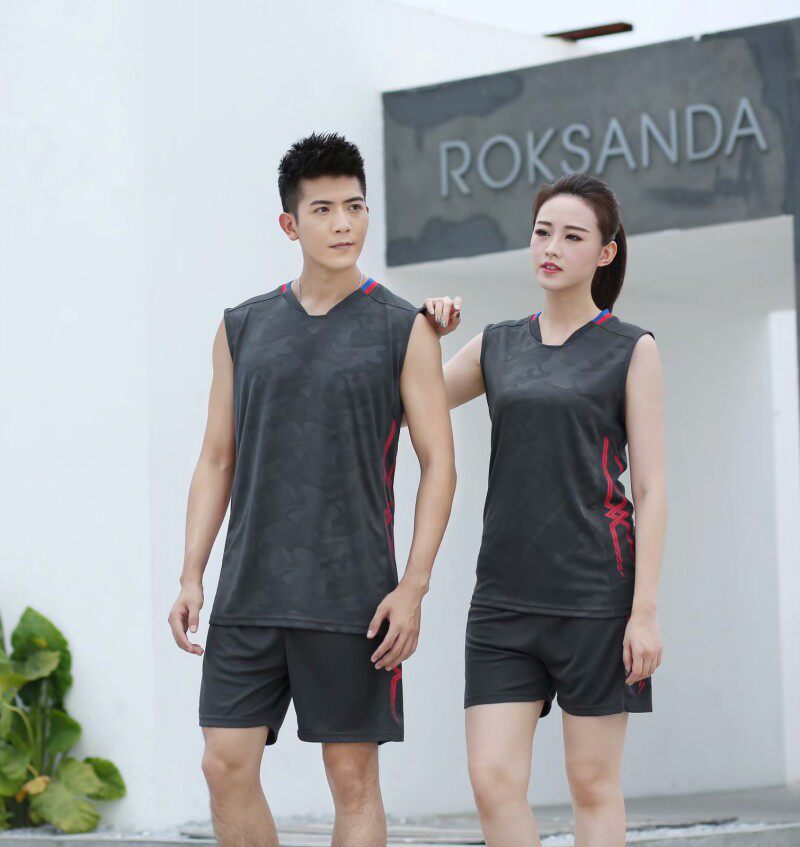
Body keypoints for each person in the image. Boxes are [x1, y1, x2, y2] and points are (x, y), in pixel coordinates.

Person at [168, 131, 456, 847]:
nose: (342, 224)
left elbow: (439, 463)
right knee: (223, 764)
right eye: (323, 210)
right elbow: (216, 457)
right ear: (290, 225)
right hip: (250, 591)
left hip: (353, 595)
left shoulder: (404, 328)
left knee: (352, 779)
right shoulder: (243, 327)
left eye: (354, 207)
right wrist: (192, 573)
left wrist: (413, 587)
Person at [418, 172, 666, 847]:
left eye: (572, 236)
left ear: (605, 252)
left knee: (592, 784)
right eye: (542, 232)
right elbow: (411, 404)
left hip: (596, 598)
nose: (551, 247)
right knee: (492, 780)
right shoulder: (496, 345)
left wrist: (644, 612)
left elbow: (651, 489)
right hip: (503, 602)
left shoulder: (631, 349)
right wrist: (425, 335)